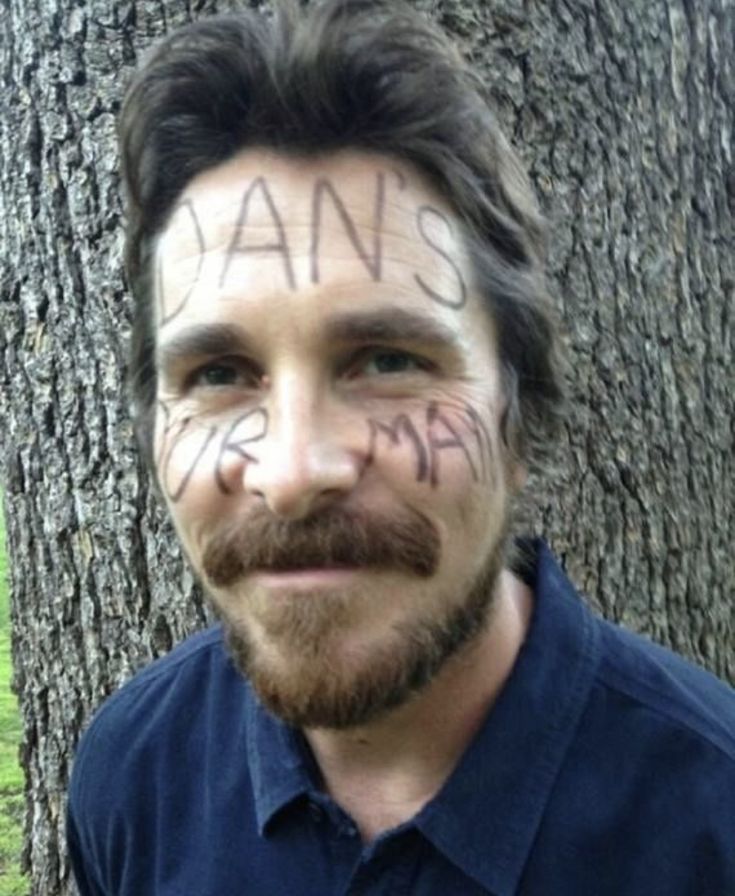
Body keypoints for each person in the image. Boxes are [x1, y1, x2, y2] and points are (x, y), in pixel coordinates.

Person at [67, 1, 735, 893]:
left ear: (518, 409)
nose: (293, 473)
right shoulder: (131, 775)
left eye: (387, 359)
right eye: (220, 371)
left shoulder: (713, 815)